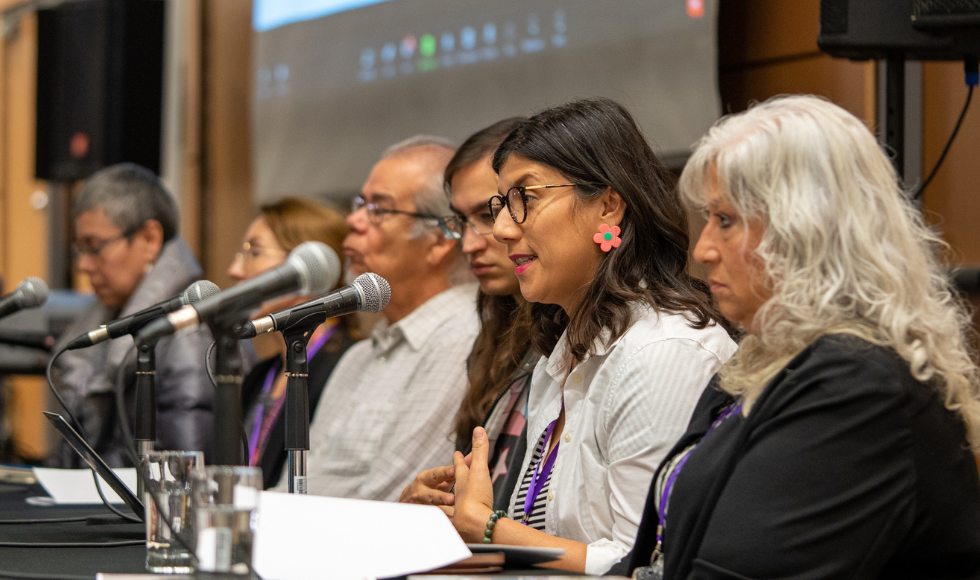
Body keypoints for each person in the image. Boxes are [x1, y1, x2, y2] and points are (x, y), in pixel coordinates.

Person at [621, 95, 980, 579]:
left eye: (724, 220)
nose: (703, 248)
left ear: (805, 229)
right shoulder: (763, 357)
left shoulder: (857, 384)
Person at [448, 99, 738, 575]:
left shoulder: (663, 351)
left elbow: (643, 564)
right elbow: (548, 547)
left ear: (608, 205)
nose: (501, 229)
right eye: (501, 204)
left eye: (525, 198)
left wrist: (487, 527)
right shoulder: (564, 352)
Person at [299, 136, 481, 501]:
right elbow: (299, 482)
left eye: (379, 209)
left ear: (440, 240)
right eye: (360, 204)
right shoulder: (358, 356)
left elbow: (394, 503)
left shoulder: (462, 337)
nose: (353, 220)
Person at [399, 117, 536, 513]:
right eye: (461, 222)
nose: (470, 244)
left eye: (489, 214)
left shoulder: (582, 333)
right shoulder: (494, 328)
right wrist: (423, 503)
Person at [52, 163, 214, 467]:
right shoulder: (108, 317)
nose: (83, 265)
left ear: (150, 239)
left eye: (95, 246)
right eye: (79, 249)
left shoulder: (190, 330)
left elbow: (183, 471)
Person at [229, 197, 356, 489]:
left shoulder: (349, 365)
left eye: (254, 252)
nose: (235, 269)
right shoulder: (261, 373)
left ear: (310, 269)